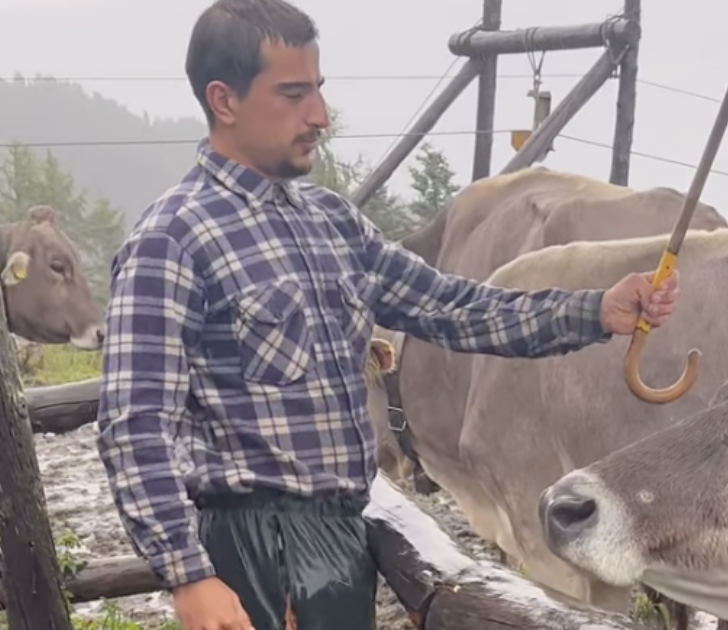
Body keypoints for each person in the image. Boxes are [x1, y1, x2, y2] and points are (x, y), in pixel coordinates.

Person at [95, 1, 682, 629]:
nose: (318, 115)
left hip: (343, 536)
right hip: (254, 547)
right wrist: (190, 575)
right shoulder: (174, 238)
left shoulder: (331, 222)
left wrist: (595, 311)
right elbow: (135, 424)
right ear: (224, 100)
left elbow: (457, 309)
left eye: (318, 91)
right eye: (292, 94)